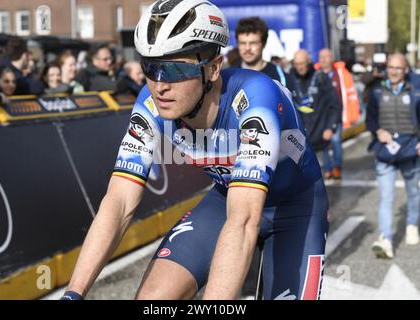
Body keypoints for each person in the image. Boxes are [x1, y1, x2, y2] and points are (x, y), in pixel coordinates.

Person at [62, 0, 328, 301]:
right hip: (227, 196)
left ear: (213, 69)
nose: (159, 85)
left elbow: (243, 221)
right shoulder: (150, 103)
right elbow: (119, 202)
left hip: (295, 206)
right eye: (150, 67)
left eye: (174, 70)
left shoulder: (255, 98)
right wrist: (73, 293)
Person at [366, 53, 420, 259]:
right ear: (386, 68)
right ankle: (386, 238)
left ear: (406, 69)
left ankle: (412, 224)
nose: (394, 71)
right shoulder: (377, 91)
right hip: (385, 151)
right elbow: (370, 119)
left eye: (399, 68)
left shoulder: (416, 90)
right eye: (391, 67)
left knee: (413, 192)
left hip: (410, 150)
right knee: (386, 197)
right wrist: (378, 130)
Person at [317, 48, 361, 179]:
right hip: (321, 116)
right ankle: (327, 168)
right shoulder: (316, 74)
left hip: (336, 114)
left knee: (336, 141)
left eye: (326, 57)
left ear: (332, 58)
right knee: (323, 143)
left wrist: (352, 113)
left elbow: (350, 92)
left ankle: (337, 166)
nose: (324, 59)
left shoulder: (340, 73)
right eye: (321, 57)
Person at [289, 50, 341, 153]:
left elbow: (334, 105)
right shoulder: (289, 79)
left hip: (320, 138)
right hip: (297, 142)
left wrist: (330, 128)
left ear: (308, 62)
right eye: (297, 64)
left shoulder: (321, 78)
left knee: (324, 166)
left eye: (302, 63)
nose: (300, 67)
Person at [235, 17, 294, 91]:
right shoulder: (229, 75)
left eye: (253, 43)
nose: (247, 48)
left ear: (264, 44)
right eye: (243, 43)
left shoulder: (280, 76)